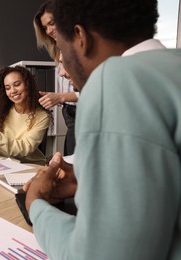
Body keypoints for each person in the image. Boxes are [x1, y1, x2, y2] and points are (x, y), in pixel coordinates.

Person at [24, 0, 181, 259]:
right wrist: (86, 179)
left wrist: (36, 204)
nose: (65, 69)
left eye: (62, 48)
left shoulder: (115, 80)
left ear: (80, 37)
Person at [34, 0, 79, 155]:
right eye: (45, 28)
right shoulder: (59, 50)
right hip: (69, 114)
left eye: (51, 23)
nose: (48, 31)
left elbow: (93, 92)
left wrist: (61, 97)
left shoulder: (79, 47)